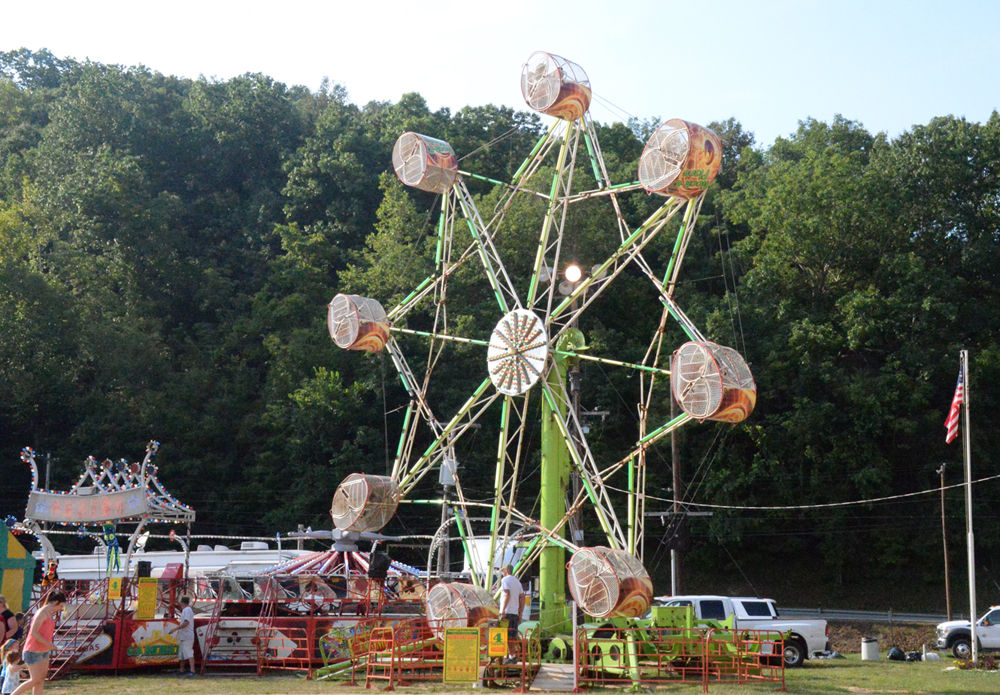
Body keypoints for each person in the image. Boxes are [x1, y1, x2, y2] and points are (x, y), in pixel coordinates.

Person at [11, 590, 66, 695]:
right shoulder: (42, 613)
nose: (61, 608)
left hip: (43, 650)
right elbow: (34, 633)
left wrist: (49, 645)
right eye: (61, 606)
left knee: (40, 680)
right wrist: (49, 645)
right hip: (33, 651)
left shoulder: (49, 613)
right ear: (56, 602)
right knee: (35, 679)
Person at [498, 565, 523, 664]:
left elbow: (507, 594)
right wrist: (520, 612)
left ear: (507, 571)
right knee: (512, 635)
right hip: (514, 613)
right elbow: (522, 598)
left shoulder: (505, 580)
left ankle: (506, 656)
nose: (502, 573)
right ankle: (512, 656)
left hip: (507, 613)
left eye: (503, 571)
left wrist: (503, 610)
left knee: (503, 635)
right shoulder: (517, 582)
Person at [167, 596, 195, 676]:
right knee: (182, 654)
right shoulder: (186, 610)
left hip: (187, 635)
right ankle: (182, 670)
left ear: (182, 603)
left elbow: (186, 622)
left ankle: (192, 670)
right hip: (184, 635)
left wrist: (175, 629)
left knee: (189, 653)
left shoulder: (187, 610)